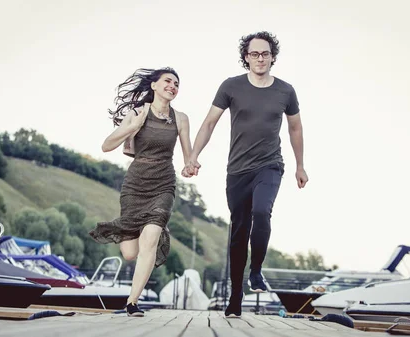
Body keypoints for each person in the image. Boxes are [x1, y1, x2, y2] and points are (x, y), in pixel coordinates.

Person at [187, 31, 308, 318]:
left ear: (273, 57)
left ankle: (256, 271)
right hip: (237, 170)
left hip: (270, 165)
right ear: (246, 57)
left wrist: (300, 165)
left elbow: (295, 128)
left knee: (262, 211)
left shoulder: (285, 91)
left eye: (265, 53)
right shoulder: (231, 86)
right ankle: (236, 294)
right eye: (254, 53)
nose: (260, 58)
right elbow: (209, 123)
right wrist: (193, 156)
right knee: (239, 232)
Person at [89, 67, 193, 317]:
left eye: (177, 83)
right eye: (168, 81)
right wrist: (131, 126)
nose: (173, 86)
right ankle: (131, 229)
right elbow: (106, 146)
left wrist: (191, 164)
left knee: (151, 238)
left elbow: (188, 154)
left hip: (163, 184)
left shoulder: (181, 118)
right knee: (129, 253)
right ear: (154, 86)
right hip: (135, 185)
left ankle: (132, 302)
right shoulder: (137, 113)